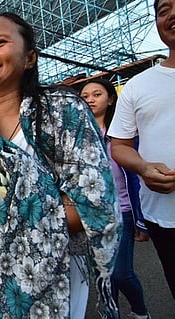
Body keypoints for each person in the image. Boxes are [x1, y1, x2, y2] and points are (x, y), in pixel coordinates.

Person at [0, 12, 121, 318]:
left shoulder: (63, 114)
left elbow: (92, 206)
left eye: (0, 42)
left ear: (30, 58)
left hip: (51, 285)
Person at [108, 0, 175, 301]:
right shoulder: (138, 86)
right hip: (163, 217)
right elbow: (119, 146)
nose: (171, 14)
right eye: (163, 10)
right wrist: (144, 168)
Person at [80, 78, 151, 319]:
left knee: (121, 273)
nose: (90, 99)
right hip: (92, 217)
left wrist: (141, 219)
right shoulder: (78, 137)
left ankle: (141, 312)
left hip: (124, 212)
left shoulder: (122, 135)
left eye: (97, 94)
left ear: (111, 99)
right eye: (85, 95)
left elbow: (136, 178)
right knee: (104, 275)